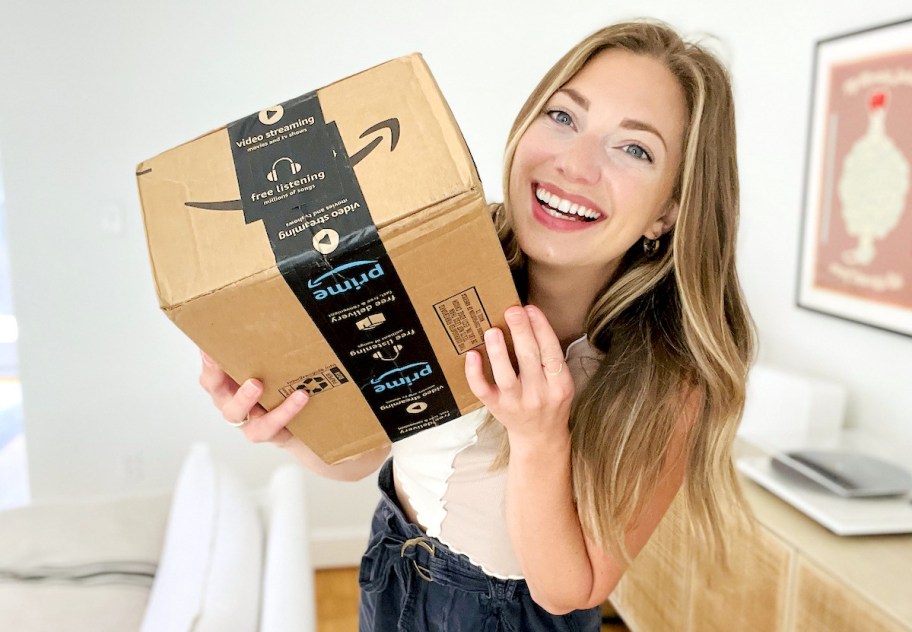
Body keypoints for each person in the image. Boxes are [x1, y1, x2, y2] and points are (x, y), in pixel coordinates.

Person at [199, 19, 754, 631]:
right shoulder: (436, 264)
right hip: (391, 568)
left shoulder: (667, 377)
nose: (574, 164)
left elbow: (569, 591)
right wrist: (287, 429)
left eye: (634, 149)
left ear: (669, 210)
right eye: (564, 117)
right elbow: (364, 456)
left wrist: (540, 437)